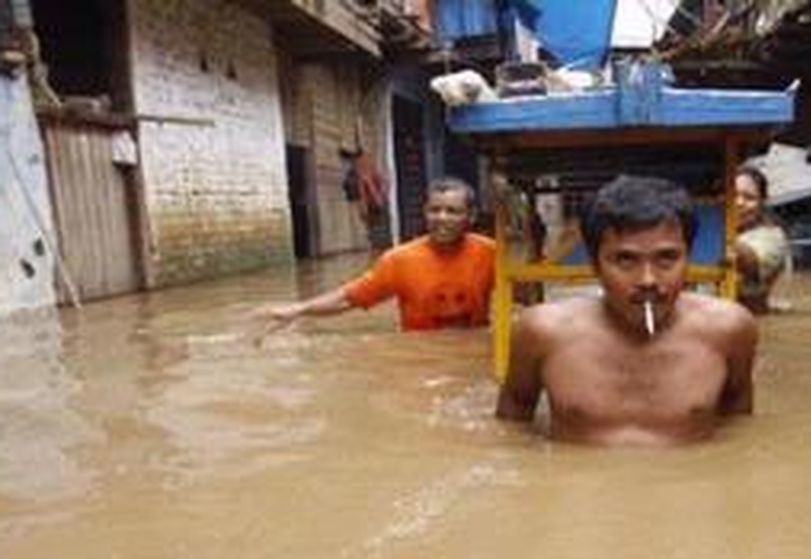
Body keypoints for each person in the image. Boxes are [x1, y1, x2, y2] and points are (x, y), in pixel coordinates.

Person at [495, 175, 758, 446]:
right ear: (595, 265)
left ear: (688, 257)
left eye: (667, 258)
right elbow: (511, 429)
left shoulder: (730, 329)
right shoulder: (541, 331)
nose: (648, 280)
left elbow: (738, 428)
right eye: (625, 260)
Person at [258, 177, 495, 333]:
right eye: (435, 210)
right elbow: (349, 298)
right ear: (425, 213)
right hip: (419, 356)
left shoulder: (490, 253)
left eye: (452, 211)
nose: (442, 218)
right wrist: (298, 310)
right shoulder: (400, 260)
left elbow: (523, 294)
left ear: (470, 216)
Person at [732, 165, 792, 315]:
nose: (739, 203)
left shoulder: (773, 237)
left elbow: (751, 261)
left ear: (762, 202)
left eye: (749, 198)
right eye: (732, 195)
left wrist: (716, 234)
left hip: (752, 323)